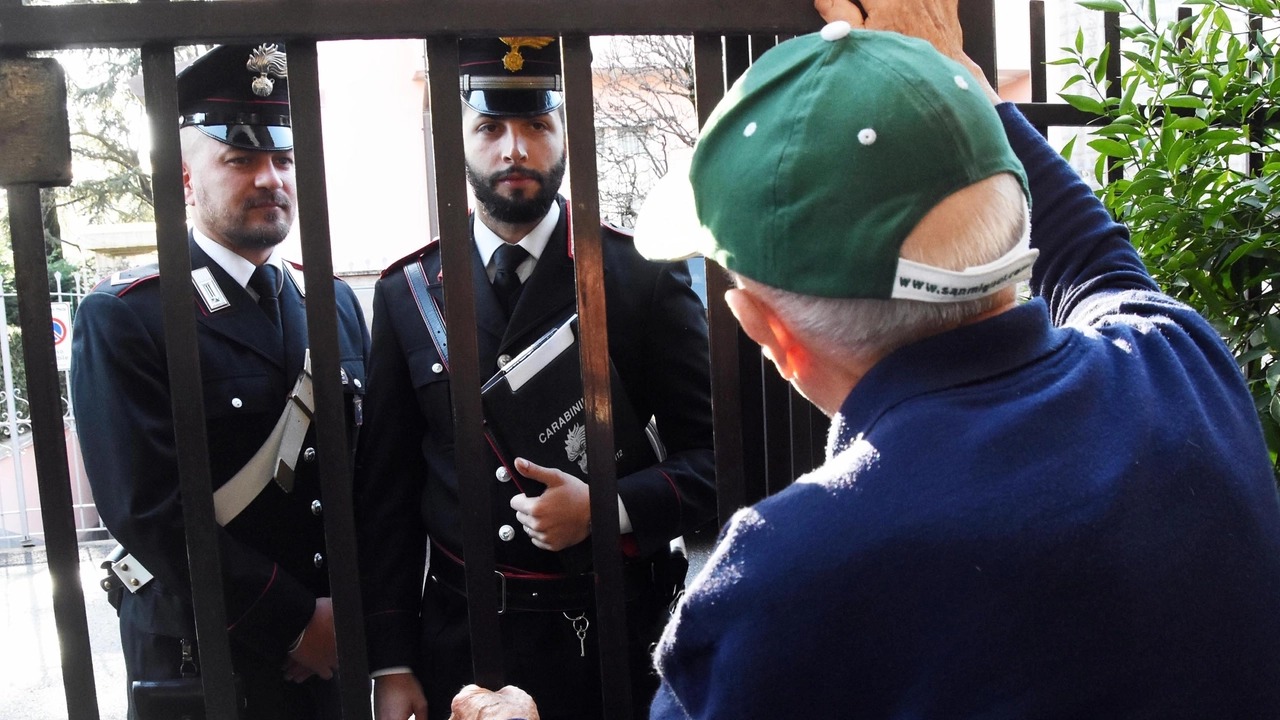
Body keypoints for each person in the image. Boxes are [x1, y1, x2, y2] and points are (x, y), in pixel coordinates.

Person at [446, 1, 1280, 718]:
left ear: (770, 335)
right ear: (1009, 225)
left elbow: (1090, 253)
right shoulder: (1180, 369)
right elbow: (1098, 258)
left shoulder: (782, 581)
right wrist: (946, 67)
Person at [354, 36, 716, 720]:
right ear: (457, 139)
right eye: (490, 127)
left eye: (536, 125)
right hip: (465, 643)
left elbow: (717, 460)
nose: (514, 149)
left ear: (566, 134)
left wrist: (606, 507)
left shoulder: (640, 273)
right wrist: (392, 660)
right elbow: (386, 495)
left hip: (612, 633)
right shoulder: (407, 292)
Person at [71, 43, 370, 720]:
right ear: (183, 179)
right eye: (240, 160)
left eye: (284, 159)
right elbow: (148, 511)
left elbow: (366, 480)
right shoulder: (129, 316)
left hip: (326, 656)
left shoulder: (332, 304)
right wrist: (295, 620)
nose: (271, 178)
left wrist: (346, 616)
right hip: (202, 654)